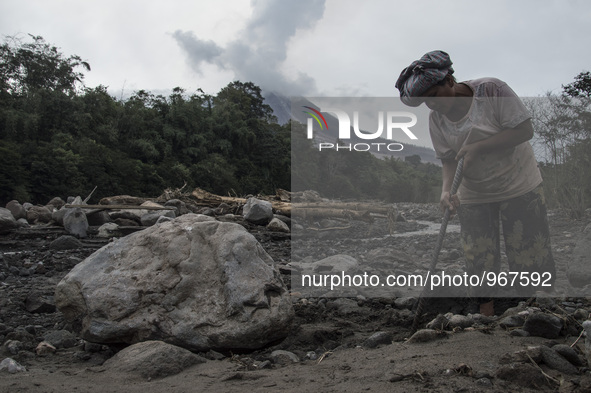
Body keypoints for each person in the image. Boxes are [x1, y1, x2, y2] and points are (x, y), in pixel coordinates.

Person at [395, 50, 556, 316]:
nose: (432, 106)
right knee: (478, 253)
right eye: (426, 103)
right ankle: (486, 313)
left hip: (518, 183)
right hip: (474, 192)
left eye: (434, 97)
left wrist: (479, 146)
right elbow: (448, 159)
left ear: (449, 81)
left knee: (529, 249)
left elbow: (524, 130)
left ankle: (537, 310)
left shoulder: (492, 91)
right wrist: (447, 190)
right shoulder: (437, 119)